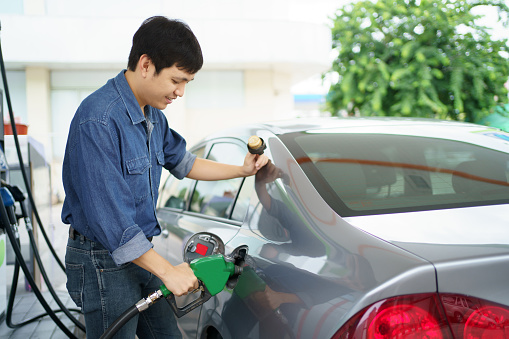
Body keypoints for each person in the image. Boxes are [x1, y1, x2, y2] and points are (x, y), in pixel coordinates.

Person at [61, 16, 268, 339]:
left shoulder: (151, 115)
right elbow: (112, 221)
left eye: (187, 82)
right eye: (177, 79)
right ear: (146, 65)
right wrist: (168, 271)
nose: (180, 92)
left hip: (141, 254)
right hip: (102, 261)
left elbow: (185, 163)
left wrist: (241, 171)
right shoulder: (98, 120)